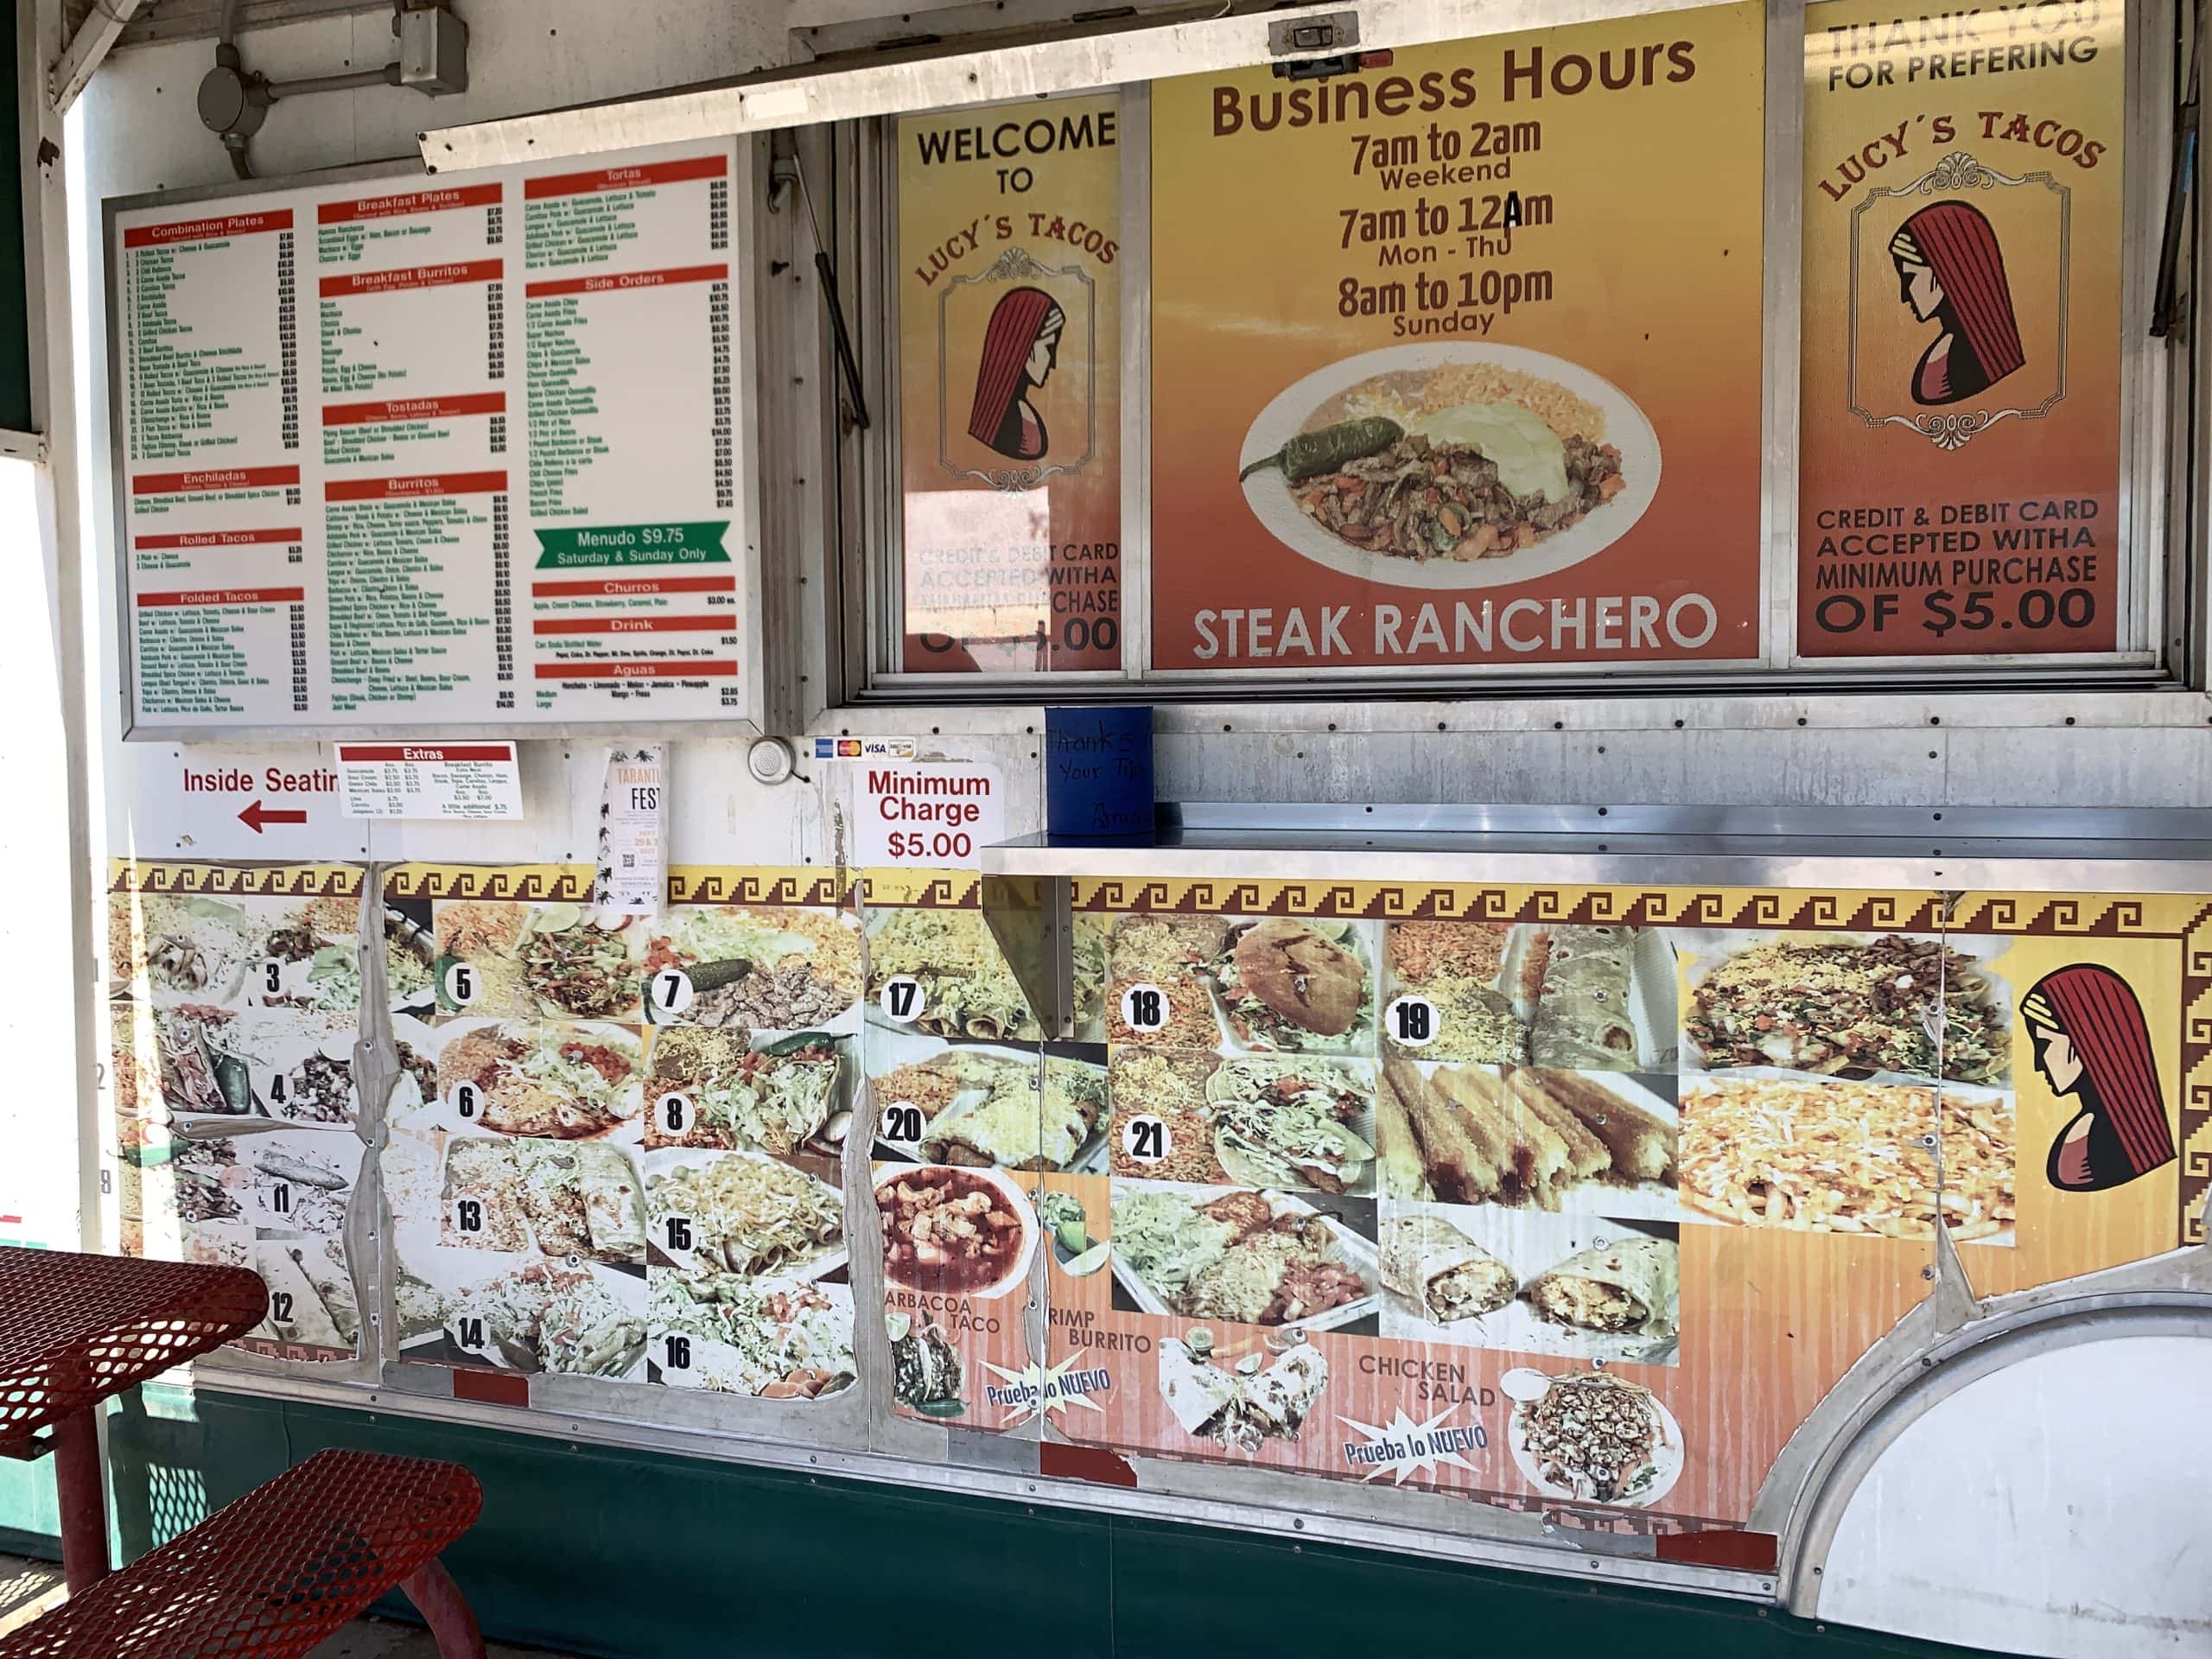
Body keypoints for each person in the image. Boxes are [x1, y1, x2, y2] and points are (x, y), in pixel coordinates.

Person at [2021, 964, 2177, 1192]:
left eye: (2043, 1044)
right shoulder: (2087, 1126)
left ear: (2084, 1042)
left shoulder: (2120, 1147)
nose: (2038, 1063)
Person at [1889, 200, 2025, 406]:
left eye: (1909, 279)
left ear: (1944, 272)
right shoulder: (1947, 348)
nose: (1904, 296)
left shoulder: (1978, 361)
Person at [967, 286, 1065, 461]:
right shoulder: (998, 423)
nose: (1053, 363)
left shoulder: (1024, 412)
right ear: (1023, 345)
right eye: (1049, 348)